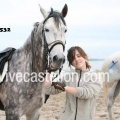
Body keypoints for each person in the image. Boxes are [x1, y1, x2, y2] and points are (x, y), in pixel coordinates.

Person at [44, 46, 102, 120]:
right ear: (71, 63)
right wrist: (48, 72)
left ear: (85, 57)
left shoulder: (95, 77)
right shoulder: (68, 77)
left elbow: (87, 93)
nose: (76, 59)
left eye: (78, 56)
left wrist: (65, 88)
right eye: (73, 58)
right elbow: (49, 90)